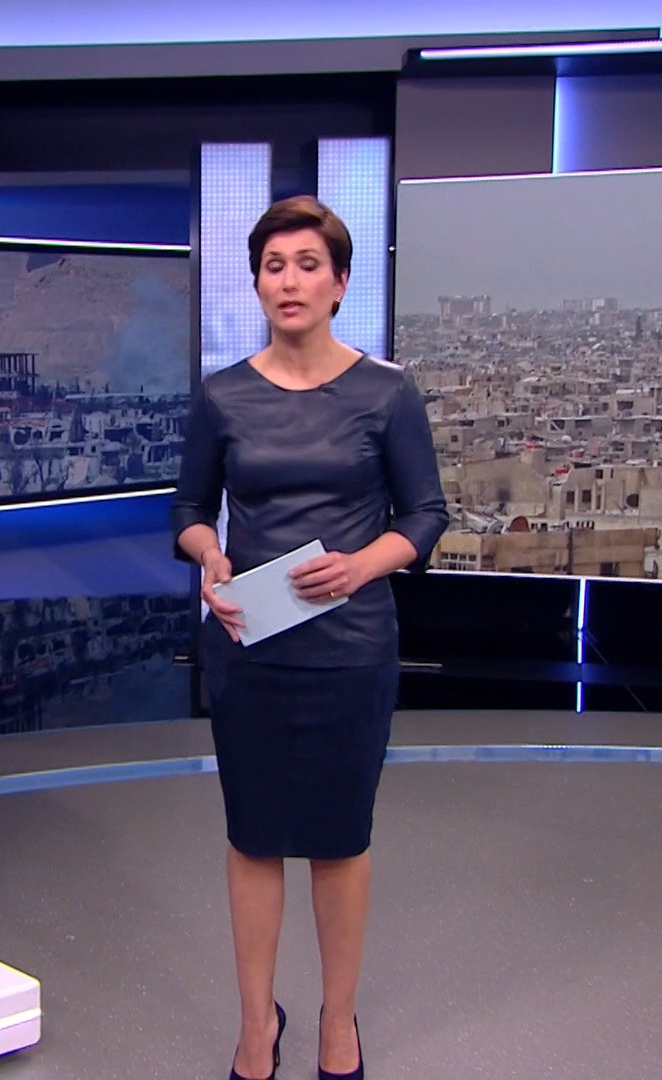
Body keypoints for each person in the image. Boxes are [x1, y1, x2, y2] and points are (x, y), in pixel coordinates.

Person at [171, 196, 448, 1080]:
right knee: (253, 837)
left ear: (339, 283)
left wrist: (362, 566)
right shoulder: (222, 395)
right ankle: (257, 1025)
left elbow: (426, 515)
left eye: (306, 264)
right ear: (257, 284)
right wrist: (210, 556)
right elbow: (188, 510)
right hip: (251, 645)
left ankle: (337, 1020)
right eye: (273, 266)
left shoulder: (386, 393)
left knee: (339, 838)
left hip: (350, 648)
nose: (288, 281)